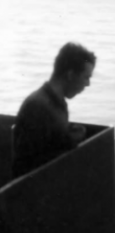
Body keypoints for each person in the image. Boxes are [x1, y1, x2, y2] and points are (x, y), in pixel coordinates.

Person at [12, 42, 96, 178]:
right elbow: (29, 164)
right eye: (86, 77)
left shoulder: (56, 102)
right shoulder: (38, 107)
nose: (88, 84)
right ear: (70, 75)